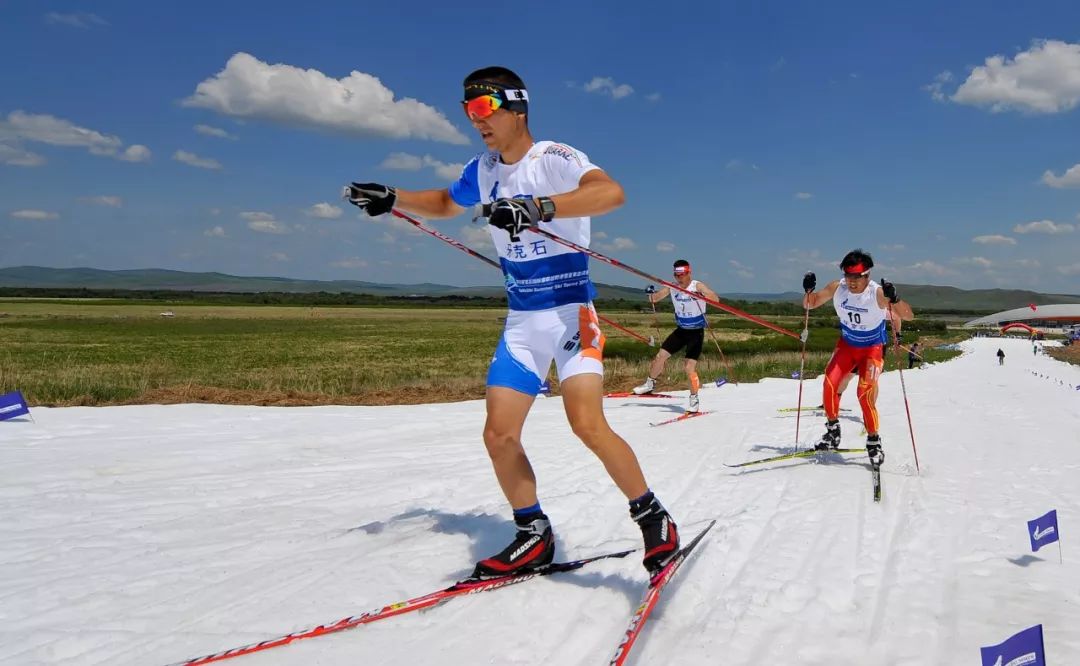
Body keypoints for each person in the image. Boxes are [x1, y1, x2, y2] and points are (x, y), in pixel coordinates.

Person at [343, 66, 679, 578]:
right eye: (466, 111)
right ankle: (533, 534)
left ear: (515, 108)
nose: (474, 120)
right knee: (499, 435)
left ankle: (653, 517)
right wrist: (393, 198)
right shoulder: (483, 168)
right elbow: (444, 203)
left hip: (570, 314)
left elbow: (610, 193)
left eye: (481, 108)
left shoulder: (553, 159)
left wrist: (539, 206)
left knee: (586, 423)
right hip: (523, 320)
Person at [801, 249, 914, 466]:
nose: (851, 282)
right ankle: (832, 431)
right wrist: (808, 290)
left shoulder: (877, 293)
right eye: (848, 276)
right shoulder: (837, 287)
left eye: (856, 277)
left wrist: (895, 297)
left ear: (867, 275)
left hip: (872, 348)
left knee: (864, 392)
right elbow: (810, 304)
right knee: (829, 384)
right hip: (848, 346)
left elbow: (907, 315)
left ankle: (873, 441)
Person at [631, 260, 719, 413]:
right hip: (681, 330)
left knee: (688, 367)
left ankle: (694, 399)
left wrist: (703, 295)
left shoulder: (697, 286)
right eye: (676, 275)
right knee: (660, 356)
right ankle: (650, 384)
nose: (679, 278)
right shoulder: (672, 287)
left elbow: (715, 299)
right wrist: (650, 293)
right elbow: (655, 299)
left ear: (689, 273)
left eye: (682, 275)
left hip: (696, 332)